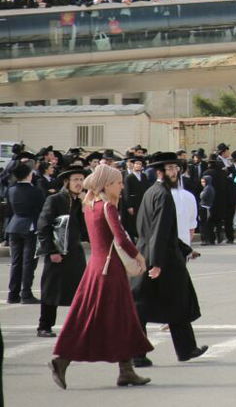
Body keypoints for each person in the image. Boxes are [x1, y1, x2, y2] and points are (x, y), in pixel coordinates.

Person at [50, 164, 153, 389]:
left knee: (112, 317)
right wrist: (139, 256)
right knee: (108, 317)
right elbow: (121, 238)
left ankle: (126, 370)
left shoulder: (89, 205)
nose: (122, 186)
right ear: (107, 184)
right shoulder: (107, 207)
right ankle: (63, 360)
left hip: (96, 267)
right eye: (118, 182)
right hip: (110, 269)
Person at [131, 152, 206, 366]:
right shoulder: (162, 194)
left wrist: (185, 248)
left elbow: (163, 232)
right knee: (146, 306)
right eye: (169, 169)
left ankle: (186, 349)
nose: (174, 172)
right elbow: (158, 230)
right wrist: (157, 263)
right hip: (161, 258)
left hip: (153, 252)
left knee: (167, 304)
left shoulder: (152, 192)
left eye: (176, 168)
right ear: (159, 172)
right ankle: (138, 354)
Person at [36, 164, 89, 338]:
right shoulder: (55, 200)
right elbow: (43, 226)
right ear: (67, 182)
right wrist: (51, 251)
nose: (79, 183)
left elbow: (85, 230)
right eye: (75, 180)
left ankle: (79, 326)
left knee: (79, 291)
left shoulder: (79, 201)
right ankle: (44, 326)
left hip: (75, 252)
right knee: (52, 290)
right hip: (57, 252)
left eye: (81, 180)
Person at [5, 161, 43, 304]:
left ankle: (13, 294)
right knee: (29, 262)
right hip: (30, 226)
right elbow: (42, 208)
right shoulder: (35, 191)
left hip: (14, 226)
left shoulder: (11, 190)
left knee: (16, 262)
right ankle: (26, 293)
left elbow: (9, 209)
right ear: (28, 175)